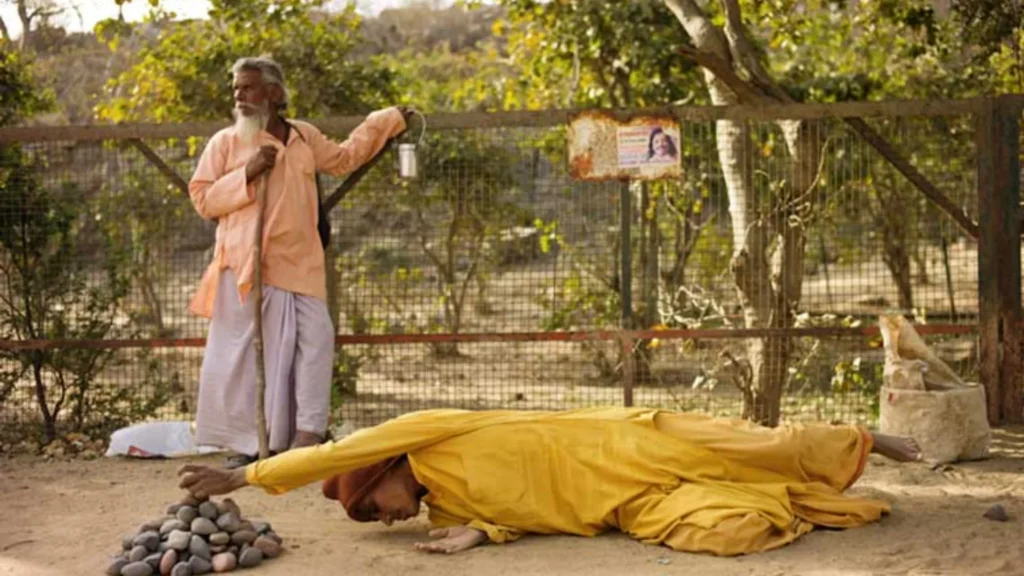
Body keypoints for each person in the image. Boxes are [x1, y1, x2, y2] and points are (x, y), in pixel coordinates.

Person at [177, 406, 922, 556]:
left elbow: (331, 451)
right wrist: (479, 532)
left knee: (766, 445)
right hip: (626, 503)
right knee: (725, 530)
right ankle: (808, 504)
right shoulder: (451, 503)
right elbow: (523, 512)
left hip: (629, 436)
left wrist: (243, 475)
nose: (389, 520)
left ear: (380, 474)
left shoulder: (425, 430)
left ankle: (864, 439)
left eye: (375, 510)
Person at [186, 56, 409, 468]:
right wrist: (247, 175)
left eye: (248, 87)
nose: (239, 96)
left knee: (316, 340)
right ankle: (253, 444)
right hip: (249, 264)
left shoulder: (303, 137)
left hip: (302, 262)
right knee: (252, 358)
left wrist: (388, 119)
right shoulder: (226, 143)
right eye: (236, 88)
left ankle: (306, 435)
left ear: (273, 92)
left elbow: (344, 158)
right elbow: (202, 198)